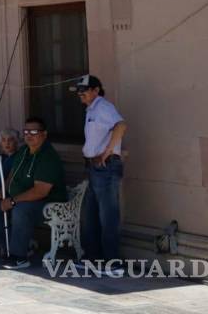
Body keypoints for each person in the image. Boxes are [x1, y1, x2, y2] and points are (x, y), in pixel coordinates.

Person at [0, 116, 67, 269]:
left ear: (44, 134)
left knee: (21, 210)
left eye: (34, 131)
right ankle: (12, 249)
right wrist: (4, 191)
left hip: (49, 204)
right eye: (26, 131)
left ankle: (20, 257)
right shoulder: (23, 151)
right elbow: (12, 175)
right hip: (21, 199)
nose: (29, 135)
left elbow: (40, 191)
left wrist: (13, 201)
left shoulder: (47, 156)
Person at [78, 75, 126, 276]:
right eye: (79, 91)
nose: (81, 93)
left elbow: (121, 126)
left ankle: (112, 262)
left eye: (85, 90)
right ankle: (93, 257)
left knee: (108, 216)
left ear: (96, 90)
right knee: (90, 214)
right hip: (94, 168)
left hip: (105, 167)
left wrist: (108, 150)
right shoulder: (92, 109)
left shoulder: (103, 107)